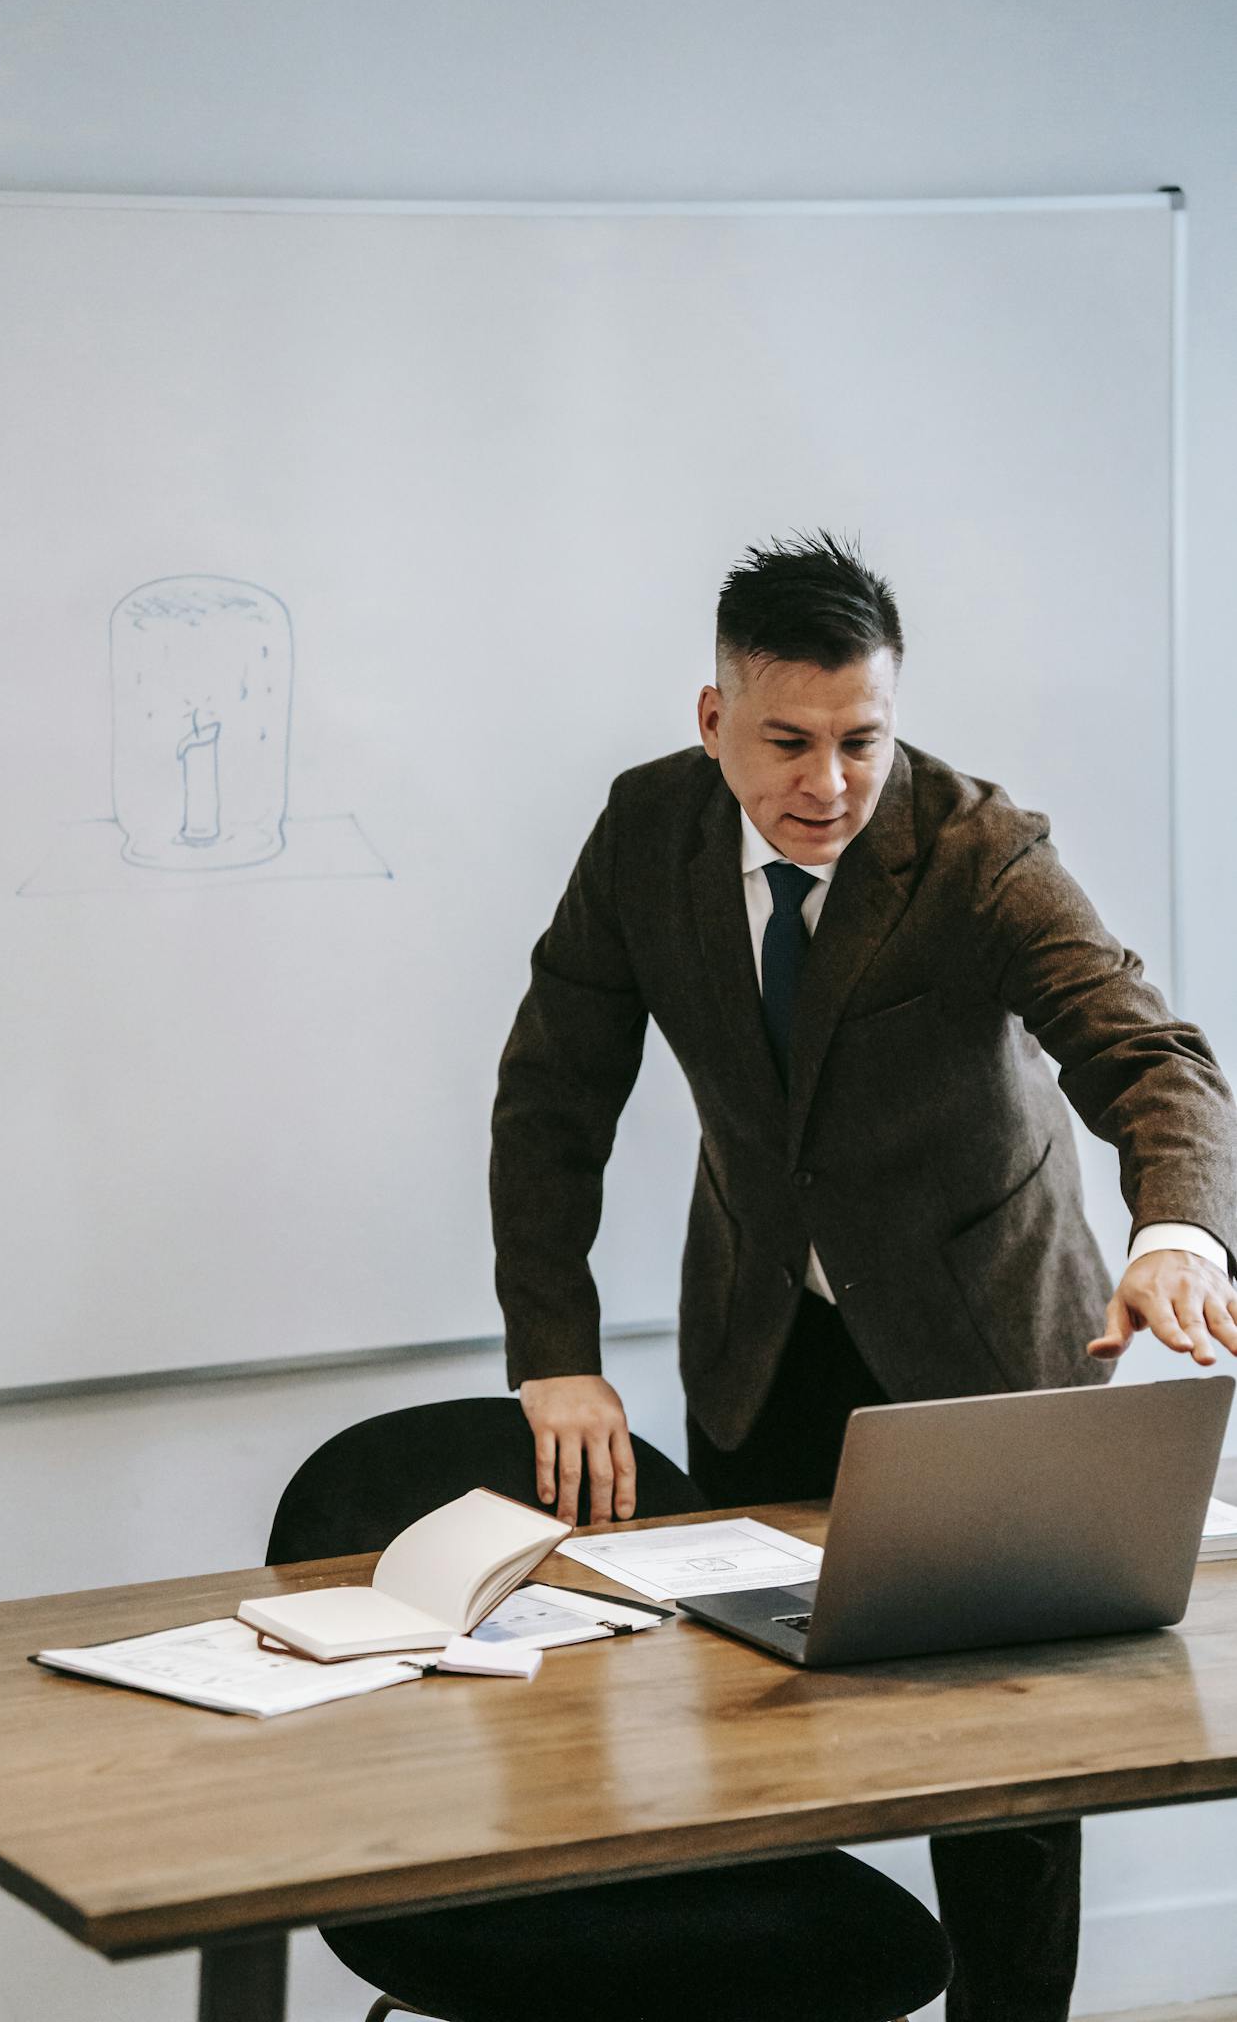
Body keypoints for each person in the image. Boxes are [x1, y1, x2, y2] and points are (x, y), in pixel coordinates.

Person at [489, 528, 1237, 2022]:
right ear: (715, 720)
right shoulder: (645, 832)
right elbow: (553, 1096)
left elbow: (1149, 1056)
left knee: (1009, 1772)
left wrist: (1176, 1233)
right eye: (788, 742)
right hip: (766, 1335)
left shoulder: (976, 849)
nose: (829, 783)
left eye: (861, 740)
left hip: (984, 1338)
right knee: (750, 1726)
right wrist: (555, 1351)